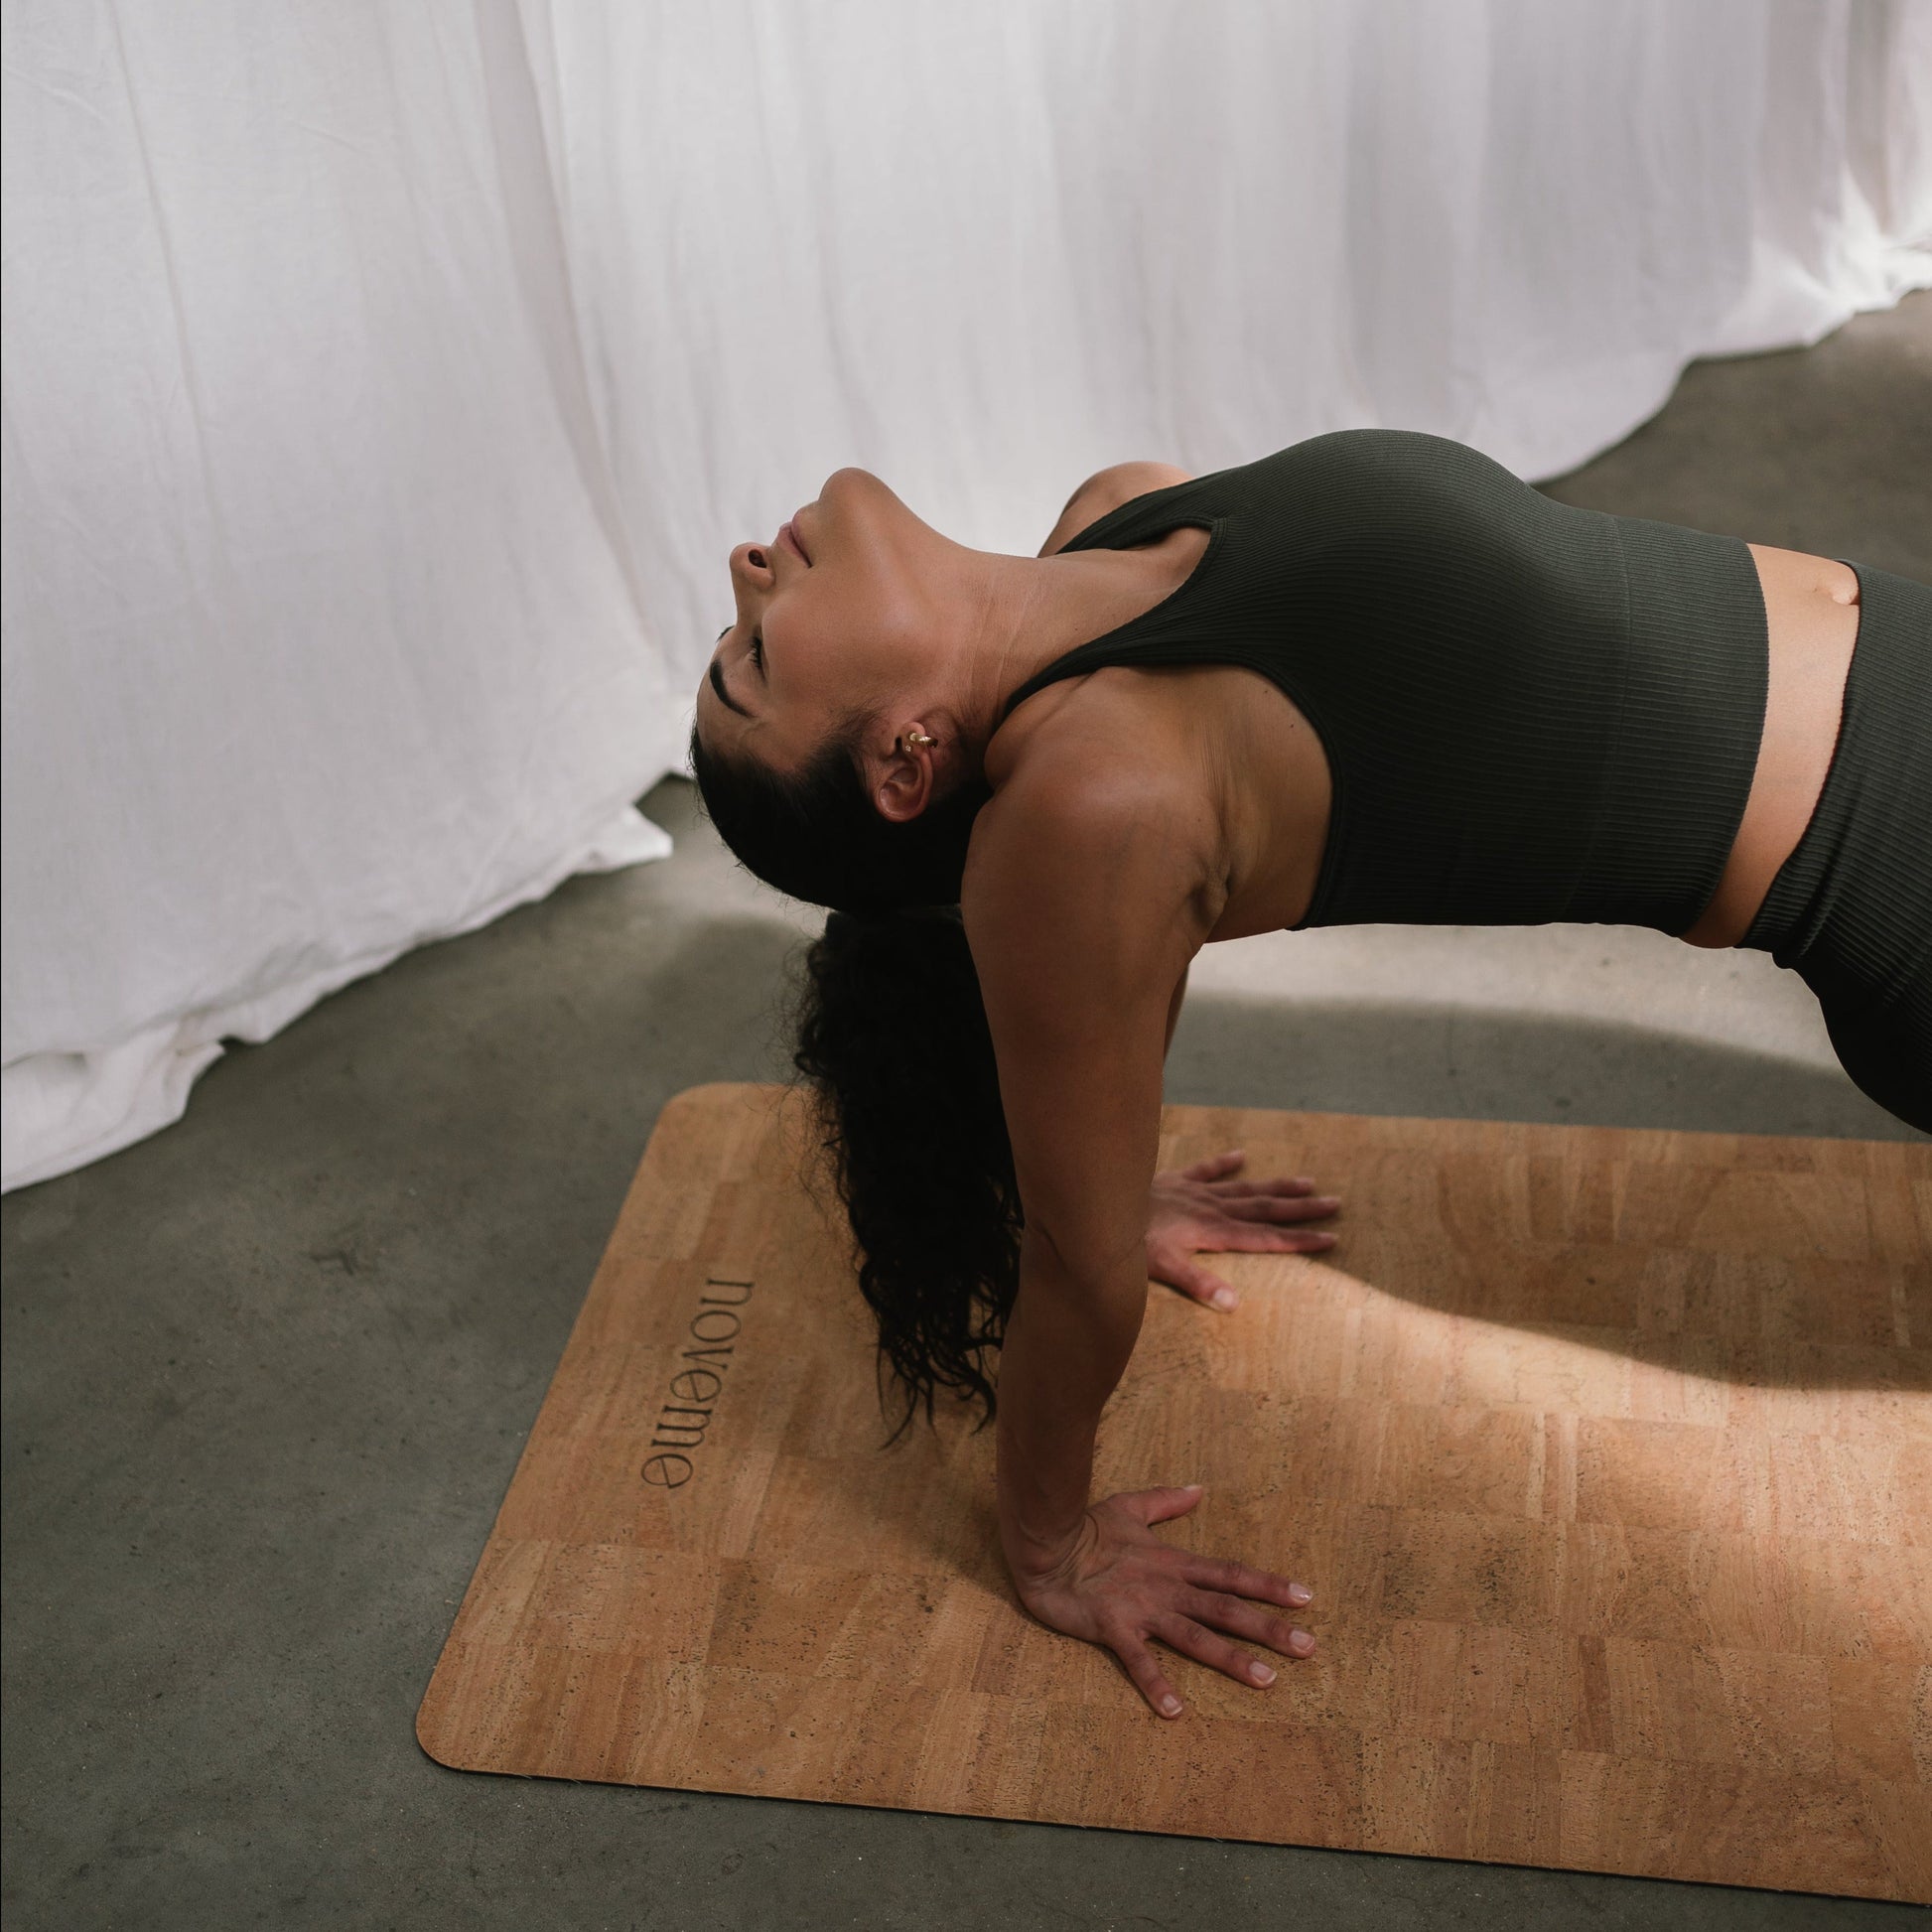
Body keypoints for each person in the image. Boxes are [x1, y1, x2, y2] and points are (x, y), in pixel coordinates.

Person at [687, 429, 1931, 1720]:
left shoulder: (1117, 520)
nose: (745, 571)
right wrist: (1050, 1544)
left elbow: (1127, 953)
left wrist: (1107, 1165)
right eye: (757, 661)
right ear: (904, 761)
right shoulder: (1085, 802)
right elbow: (1074, 1260)